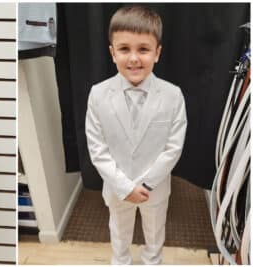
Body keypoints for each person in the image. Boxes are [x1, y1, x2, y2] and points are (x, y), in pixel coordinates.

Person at [85, 5, 187, 265]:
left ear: (157, 53)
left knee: (155, 234)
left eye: (143, 49)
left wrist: (147, 183)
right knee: (119, 235)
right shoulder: (98, 94)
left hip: (156, 187)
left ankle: (153, 261)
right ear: (112, 52)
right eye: (124, 49)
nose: (133, 58)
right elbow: (97, 149)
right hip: (117, 187)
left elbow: (173, 147)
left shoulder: (173, 95)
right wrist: (125, 186)